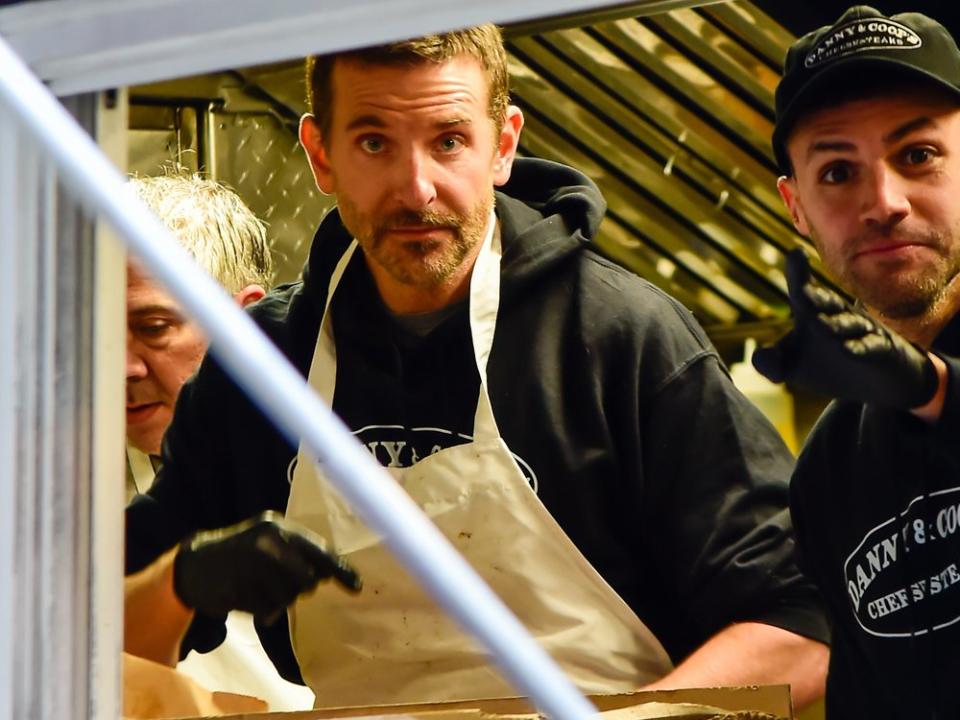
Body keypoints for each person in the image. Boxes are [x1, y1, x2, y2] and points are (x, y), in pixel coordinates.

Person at [124, 25, 829, 708]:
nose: (416, 188)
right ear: (320, 154)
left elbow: (803, 623)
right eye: (374, 142)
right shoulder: (263, 365)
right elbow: (93, 646)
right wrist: (180, 583)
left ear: (504, 146)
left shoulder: (623, 336)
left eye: (449, 141)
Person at [755, 6, 960, 717]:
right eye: (838, 172)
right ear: (797, 207)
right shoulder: (830, 469)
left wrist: (933, 390)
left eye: (918, 155)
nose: (884, 203)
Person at [125, 173, 321, 710]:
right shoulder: (54, 486)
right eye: (95, 331)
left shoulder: (321, 452)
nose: (121, 364)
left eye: (155, 327)